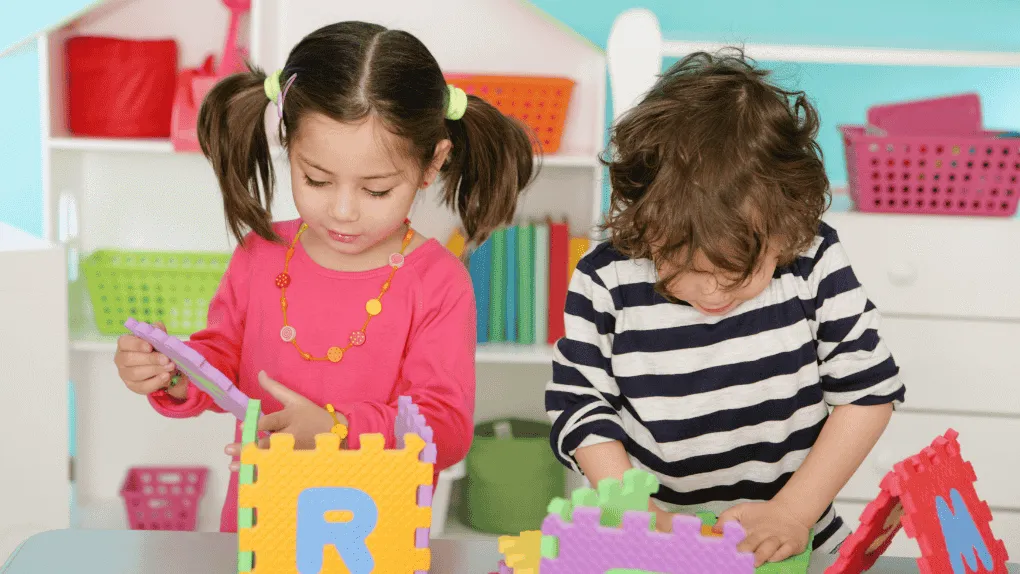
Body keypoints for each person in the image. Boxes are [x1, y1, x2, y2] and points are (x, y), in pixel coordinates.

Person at [113, 21, 537, 532]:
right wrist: (175, 372)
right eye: (315, 179)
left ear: (432, 164)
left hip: (378, 539)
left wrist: (337, 429)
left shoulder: (438, 282)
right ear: (288, 145)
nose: (342, 211)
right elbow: (221, 360)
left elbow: (444, 430)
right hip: (257, 526)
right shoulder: (260, 254)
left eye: (376, 190)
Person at [545, 50, 905, 566]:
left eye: (738, 275)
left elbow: (867, 393)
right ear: (645, 223)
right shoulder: (605, 278)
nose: (711, 293)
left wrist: (794, 511)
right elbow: (582, 406)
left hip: (793, 539)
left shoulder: (813, 259)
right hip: (658, 544)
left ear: (787, 226)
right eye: (677, 265)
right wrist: (638, 514)